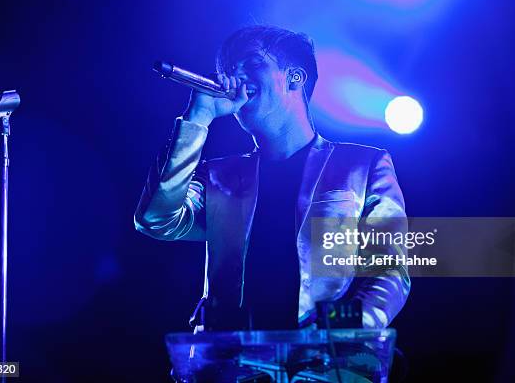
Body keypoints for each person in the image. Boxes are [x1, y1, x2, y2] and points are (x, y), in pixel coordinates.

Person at [134, 25, 410, 332]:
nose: (234, 77)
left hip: (324, 364)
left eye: (252, 64)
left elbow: (389, 269)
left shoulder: (363, 165)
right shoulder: (219, 175)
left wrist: (345, 329)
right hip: (231, 366)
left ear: (295, 78)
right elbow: (156, 219)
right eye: (226, 70)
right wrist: (197, 118)